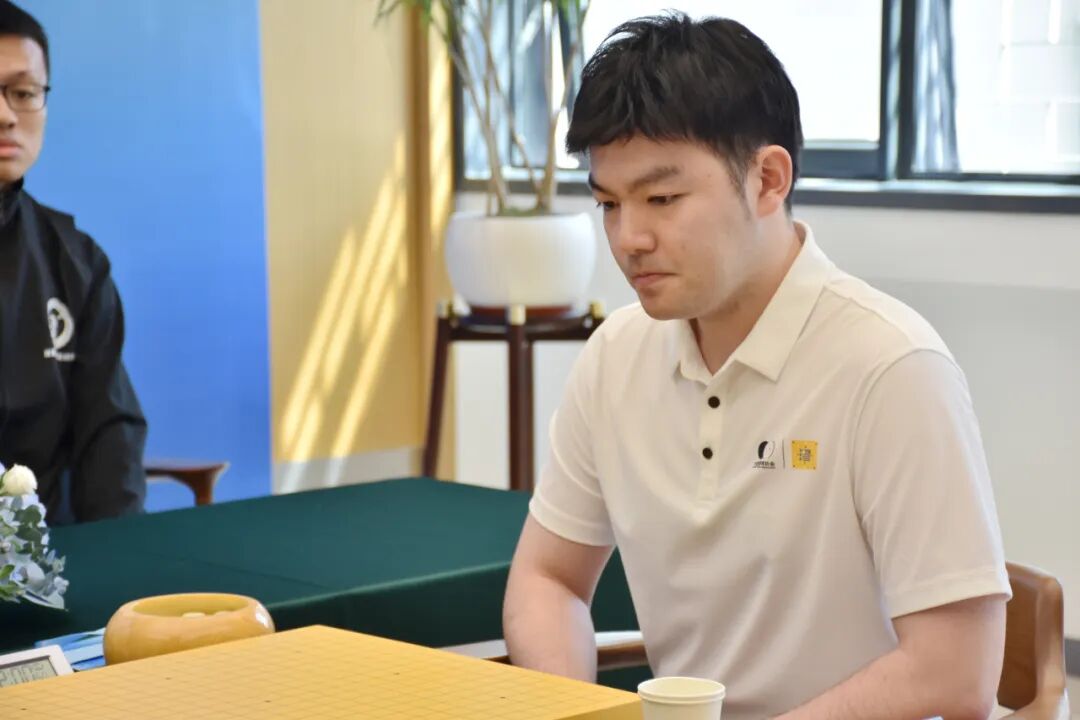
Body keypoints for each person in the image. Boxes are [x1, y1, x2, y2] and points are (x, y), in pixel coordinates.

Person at [503, 13, 1010, 720]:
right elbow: (548, 578)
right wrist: (575, 709)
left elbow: (955, 672)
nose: (629, 237)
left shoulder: (890, 367)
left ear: (768, 179)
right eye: (608, 204)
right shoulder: (616, 356)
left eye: (662, 198)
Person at [0, 1, 146, 525]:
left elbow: (108, 429)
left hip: (50, 557)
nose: (6, 115)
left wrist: (117, 556)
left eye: (23, 93)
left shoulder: (77, 261)